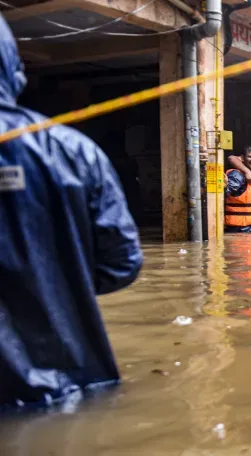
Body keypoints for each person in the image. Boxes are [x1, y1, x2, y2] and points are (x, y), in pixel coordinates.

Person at [0, 15, 142, 408]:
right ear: (15, 70)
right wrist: (55, 281)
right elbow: (122, 264)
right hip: (70, 386)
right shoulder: (75, 152)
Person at [225, 146, 251, 233]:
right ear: (242, 158)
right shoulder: (237, 175)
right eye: (250, 157)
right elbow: (224, 194)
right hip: (238, 228)